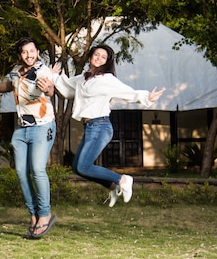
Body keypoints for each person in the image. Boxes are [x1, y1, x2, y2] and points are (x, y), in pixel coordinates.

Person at [52, 44, 166, 207]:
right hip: (90, 126)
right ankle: (112, 186)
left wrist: (147, 96)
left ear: (107, 61)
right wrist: (54, 77)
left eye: (103, 57)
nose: (98, 58)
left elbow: (128, 93)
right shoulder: (84, 78)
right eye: (96, 55)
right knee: (77, 168)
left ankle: (123, 179)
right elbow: (68, 89)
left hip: (100, 126)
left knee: (84, 166)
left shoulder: (106, 79)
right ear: (91, 56)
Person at [0, 37, 57, 239]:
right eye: (24, 52)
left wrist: (47, 87)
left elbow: (50, 89)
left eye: (31, 51)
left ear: (37, 52)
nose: (28, 55)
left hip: (43, 126)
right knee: (22, 173)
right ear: (19, 55)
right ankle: (33, 215)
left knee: (38, 170)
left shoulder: (43, 70)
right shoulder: (15, 71)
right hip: (22, 129)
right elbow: (9, 86)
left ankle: (45, 214)